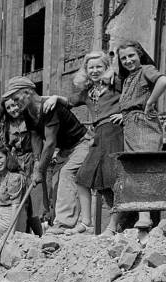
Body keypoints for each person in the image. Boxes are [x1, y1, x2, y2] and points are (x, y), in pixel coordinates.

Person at [43, 51, 124, 235]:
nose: (95, 70)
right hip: (97, 136)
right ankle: (86, 222)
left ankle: (112, 227)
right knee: (82, 177)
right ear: (86, 70)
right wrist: (55, 97)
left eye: (99, 67)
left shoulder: (115, 84)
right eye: (91, 67)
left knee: (113, 180)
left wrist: (124, 114)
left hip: (114, 132)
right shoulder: (88, 92)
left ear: (106, 68)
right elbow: (69, 101)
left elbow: (133, 96)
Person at [2, 76, 93, 235]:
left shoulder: (49, 108)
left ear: (28, 92)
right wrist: (38, 162)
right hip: (66, 150)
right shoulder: (29, 112)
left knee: (67, 174)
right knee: (56, 182)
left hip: (81, 144)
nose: (15, 103)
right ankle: (63, 224)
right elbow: (36, 138)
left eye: (17, 98)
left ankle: (64, 224)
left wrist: (40, 170)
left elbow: (50, 143)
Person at [117, 40, 166, 230]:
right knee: (135, 170)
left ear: (140, 54)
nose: (128, 60)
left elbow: (163, 80)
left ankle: (146, 217)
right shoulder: (128, 78)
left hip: (143, 123)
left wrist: (150, 102)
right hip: (130, 124)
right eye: (124, 58)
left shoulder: (146, 69)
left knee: (143, 167)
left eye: (131, 56)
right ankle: (144, 217)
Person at [0, 97, 47, 235]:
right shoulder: (7, 125)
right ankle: (23, 236)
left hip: (33, 160)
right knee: (21, 202)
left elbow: (42, 140)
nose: (12, 110)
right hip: (17, 163)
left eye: (14, 105)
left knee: (34, 201)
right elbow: (7, 147)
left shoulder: (31, 119)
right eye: (8, 108)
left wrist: (39, 163)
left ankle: (39, 235)